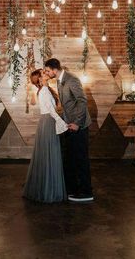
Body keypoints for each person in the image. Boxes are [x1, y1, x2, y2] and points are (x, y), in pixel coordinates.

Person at [45, 58, 93, 202]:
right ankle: (74, 189)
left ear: (54, 69)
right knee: (71, 159)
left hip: (80, 126)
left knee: (81, 159)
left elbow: (82, 101)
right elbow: (67, 105)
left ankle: (86, 192)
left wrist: (77, 123)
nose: (47, 73)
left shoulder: (72, 79)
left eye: (48, 71)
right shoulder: (59, 81)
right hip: (70, 125)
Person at [22, 69, 68, 203]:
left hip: (47, 122)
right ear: (40, 79)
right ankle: (49, 191)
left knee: (49, 155)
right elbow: (52, 111)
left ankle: (48, 189)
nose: (46, 73)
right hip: (48, 122)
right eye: (43, 73)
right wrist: (63, 124)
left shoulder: (46, 90)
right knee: (50, 155)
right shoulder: (44, 92)